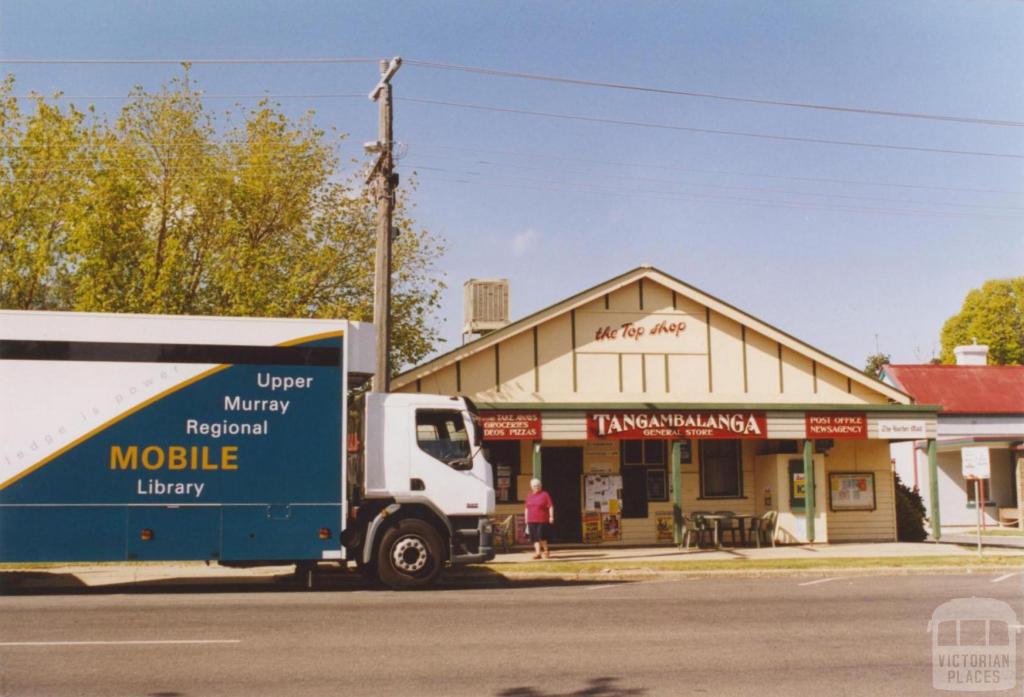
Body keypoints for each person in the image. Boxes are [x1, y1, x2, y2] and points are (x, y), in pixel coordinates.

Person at [524, 478, 554, 559]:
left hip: (542, 519)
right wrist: (526, 519)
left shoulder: (545, 494)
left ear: (540, 486)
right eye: (534, 486)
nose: (536, 487)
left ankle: (546, 551)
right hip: (531, 520)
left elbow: (550, 506)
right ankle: (538, 553)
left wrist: (551, 516)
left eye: (538, 485)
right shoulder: (529, 496)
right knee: (534, 538)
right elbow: (527, 508)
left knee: (542, 536)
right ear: (531, 487)